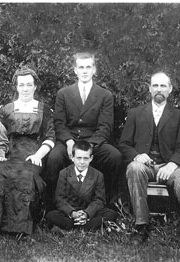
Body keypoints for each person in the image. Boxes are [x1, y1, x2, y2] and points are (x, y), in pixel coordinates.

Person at [118, 72, 180, 262]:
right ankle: (141, 225)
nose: (159, 90)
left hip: (171, 165)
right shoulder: (136, 113)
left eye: (163, 86)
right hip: (145, 166)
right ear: (149, 89)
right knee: (133, 168)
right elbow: (124, 144)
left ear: (170, 90)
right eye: (155, 86)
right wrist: (136, 155)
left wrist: (173, 164)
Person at [45, 52, 122, 208]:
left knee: (115, 156)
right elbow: (59, 123)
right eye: (81, 67)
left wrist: (90, 147)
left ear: (94, 69)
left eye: (88, 67)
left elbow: (105, 126)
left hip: (93, 142)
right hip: (69, 141)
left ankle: (109, 204)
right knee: (53, 158)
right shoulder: (63, 94)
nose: (85, 71)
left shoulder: (105, 95)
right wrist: (68, 141)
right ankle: (52, 207)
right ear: (75, 70)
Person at [0, 67, 55, 236]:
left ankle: (21, 227)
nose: (25, 89)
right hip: (9, 152)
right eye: (21, 85)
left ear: (35, 86)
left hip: (33, 152)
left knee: (25, 176)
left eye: (29, 85)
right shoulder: (6, 109)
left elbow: (50, 137)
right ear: (16, 86)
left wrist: (38, 155)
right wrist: (0, 154)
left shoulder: (44, 109)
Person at [45, 140, 117, 232]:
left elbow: (99, 200)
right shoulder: (64, 173)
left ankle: (75, 227)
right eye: (79, 158)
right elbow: (60, 199)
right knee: (51, 215)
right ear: (72, 157)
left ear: (91, 158)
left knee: (110, 214)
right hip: (70, 213)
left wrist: (86, 214)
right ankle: (83, 227)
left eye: (86, 158)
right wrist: (73, 213)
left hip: (89, 212)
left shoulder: (97, 175)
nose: (82, 162)